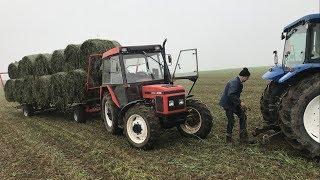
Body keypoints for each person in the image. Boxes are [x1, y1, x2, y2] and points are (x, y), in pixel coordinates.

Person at [219, 67, 253, 144]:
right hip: (228, 104)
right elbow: (231, 95)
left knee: (243, 116)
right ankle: (228, 139)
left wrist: (239, 104)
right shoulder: (235, 82)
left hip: (233, 103)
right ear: (244, 76)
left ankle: (243, 137)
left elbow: (234, 96)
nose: (247, 79)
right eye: (247, 78)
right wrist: (240, 102)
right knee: (231, 120)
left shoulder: (238, 82)